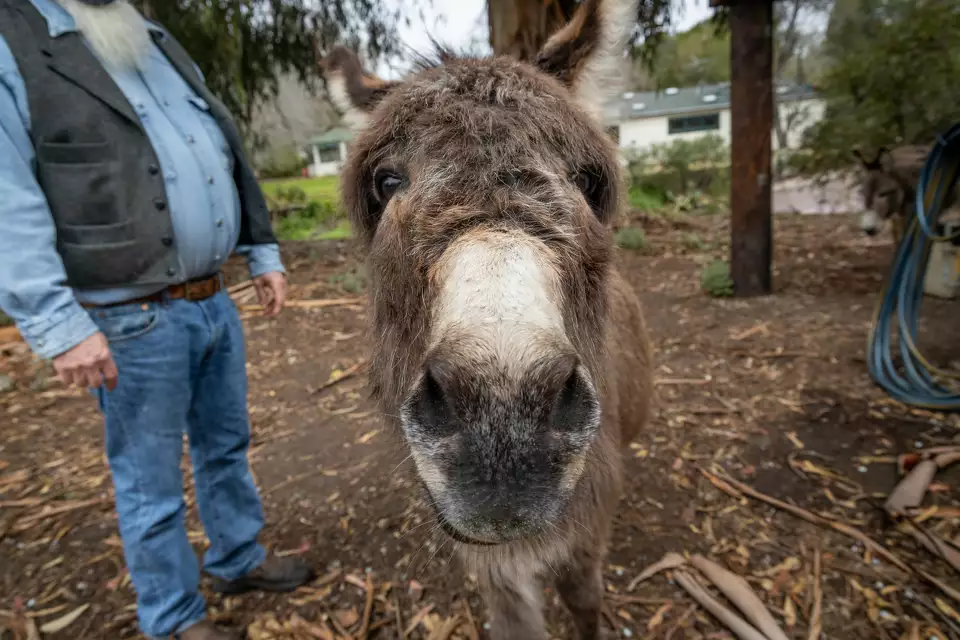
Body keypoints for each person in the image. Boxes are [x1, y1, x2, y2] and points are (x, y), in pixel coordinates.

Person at [0, 1, 315, 638]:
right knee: (150, 481)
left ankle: (236, 558)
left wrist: (261, 249)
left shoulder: (153, 39)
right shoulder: (14, 41)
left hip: (211, 299)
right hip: (127, 316)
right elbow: (8, 195)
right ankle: (172, 619)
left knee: (226, 445)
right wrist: (59, 325)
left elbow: (222, 147)